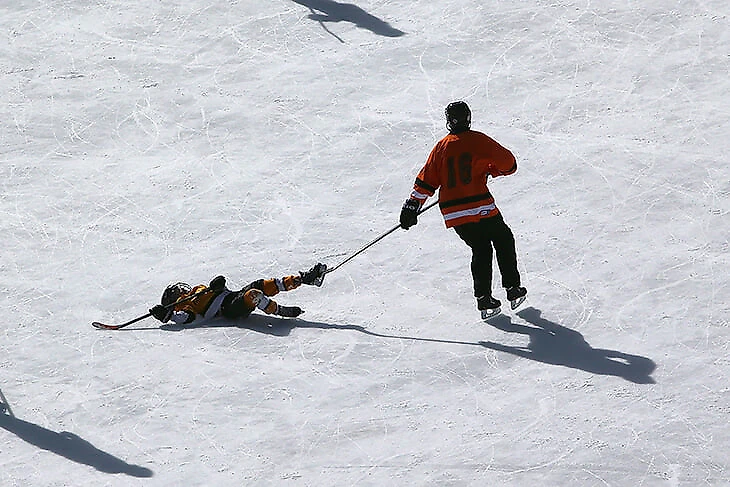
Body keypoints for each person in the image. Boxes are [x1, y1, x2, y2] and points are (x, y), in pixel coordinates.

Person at [399, 101, 527, 317]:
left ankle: (484, 299)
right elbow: (509, 164)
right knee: (503, 238)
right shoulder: (479, 140)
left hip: (454, 211)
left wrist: (411, 207)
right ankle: (513, 288)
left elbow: (427, 181)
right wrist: (491, 170)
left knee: (481, 248)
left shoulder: (441, 147)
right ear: (468, 118)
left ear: (449, 122)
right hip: (480, 204)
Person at [149, 263, 327, 325]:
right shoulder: (185, 304)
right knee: (253, 294)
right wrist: (168, 315)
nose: (181, 289)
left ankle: (305, 279)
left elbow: (214, 291)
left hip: (230, 296)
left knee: (261, 284)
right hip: (227, 308)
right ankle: (280, 310)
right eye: (176, 291)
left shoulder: (196, 289)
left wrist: (217, 285)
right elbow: (186, 318)